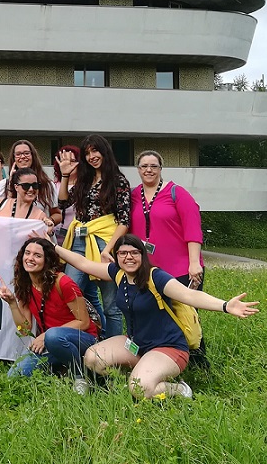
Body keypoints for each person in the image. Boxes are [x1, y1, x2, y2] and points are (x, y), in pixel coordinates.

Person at [51, 234, 258, 399]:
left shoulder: (156, 277)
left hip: (168, 347)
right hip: (136, 344)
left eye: (134, 252)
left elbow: (189, 295)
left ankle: (179, 390)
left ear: (143, 255)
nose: (128, 257)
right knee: (92, 359)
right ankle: (139, 375)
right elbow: (84, 263)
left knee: (139, 390)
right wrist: (53, 246)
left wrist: (225, 305)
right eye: (123, 253)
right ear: (117, 256)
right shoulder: (118, 273)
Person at [0, 237, 98, 393]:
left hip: (83, 339)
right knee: (14, 376)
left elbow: (84, 322)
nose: (30, 258)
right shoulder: (25, 284)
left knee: (53, 336)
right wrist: (13, 304)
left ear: (47, 260)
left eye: (37, 255)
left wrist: (46, 335)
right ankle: (61, 367)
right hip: (51, 341)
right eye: (27, 253)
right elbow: (24, 329)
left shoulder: (63, 282)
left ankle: (80, 376)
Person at [130, 150, 208, 363]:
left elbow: (193, 229)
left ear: (161, 169)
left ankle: (198, 361)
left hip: (181, 269)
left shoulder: (177, 193)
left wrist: (194, 263)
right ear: (138, 170)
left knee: (186, 317)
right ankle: (164, 359)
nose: (148, 170)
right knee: (159, 319)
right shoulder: (134, 195)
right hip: (150, 272)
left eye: (153, 166)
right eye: (144, 166)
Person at [56, 134, 131, 338]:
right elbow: (63, 203)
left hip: (104, 241)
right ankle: (82, 339)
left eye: (95, 150)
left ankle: (113, 351)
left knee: (110, 304)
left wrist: (108, 249)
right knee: (69, 290)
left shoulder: (118, 181)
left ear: (105, 151)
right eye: (87, 153)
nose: (92, 156)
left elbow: (124, 220)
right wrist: (65, 176)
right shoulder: (85, 179)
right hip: (79, 240)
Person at [0, 167, 55, 234]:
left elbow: (42, 240)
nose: (31, 189)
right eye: (26, 186)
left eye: (35, 185)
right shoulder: (1, 203)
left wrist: (49, 231)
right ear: (16, 187)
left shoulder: (41, 215)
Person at [8, 140, 60, 224]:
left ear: (33, 156)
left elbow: (57, 214)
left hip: (40, 234)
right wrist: (10, 183)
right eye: (18, 154)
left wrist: (47, 222)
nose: (22, 157)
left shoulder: (47, 185)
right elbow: (1, 215)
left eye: (26, 153)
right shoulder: (4, 185)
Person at [53, 145, 80, 245]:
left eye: (72, 161)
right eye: (64, 161)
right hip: (55, 234)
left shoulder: (85, 187)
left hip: (78, 236)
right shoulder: (53, 185)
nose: (68, 164)